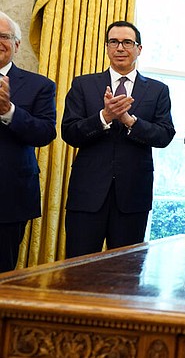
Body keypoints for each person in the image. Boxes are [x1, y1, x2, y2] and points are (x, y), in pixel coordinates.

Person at [62, 21, 175, 258]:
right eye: (114, 42)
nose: (120, 48)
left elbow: (164, 135)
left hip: (133, 195)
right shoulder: (84, 84)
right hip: (88, 194)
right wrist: (104, 117)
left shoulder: (157, 90)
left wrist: (128, 120)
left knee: (126, 273)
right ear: (107, 47)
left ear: (139, 48)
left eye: (127, 42)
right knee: (78, 269)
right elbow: (69, 132)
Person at [0, 11, 57, 272]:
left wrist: (9, 111)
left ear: (17, 44)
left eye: (4, 36)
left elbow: (45, 133)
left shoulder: (40, 85)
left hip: (9, 197)